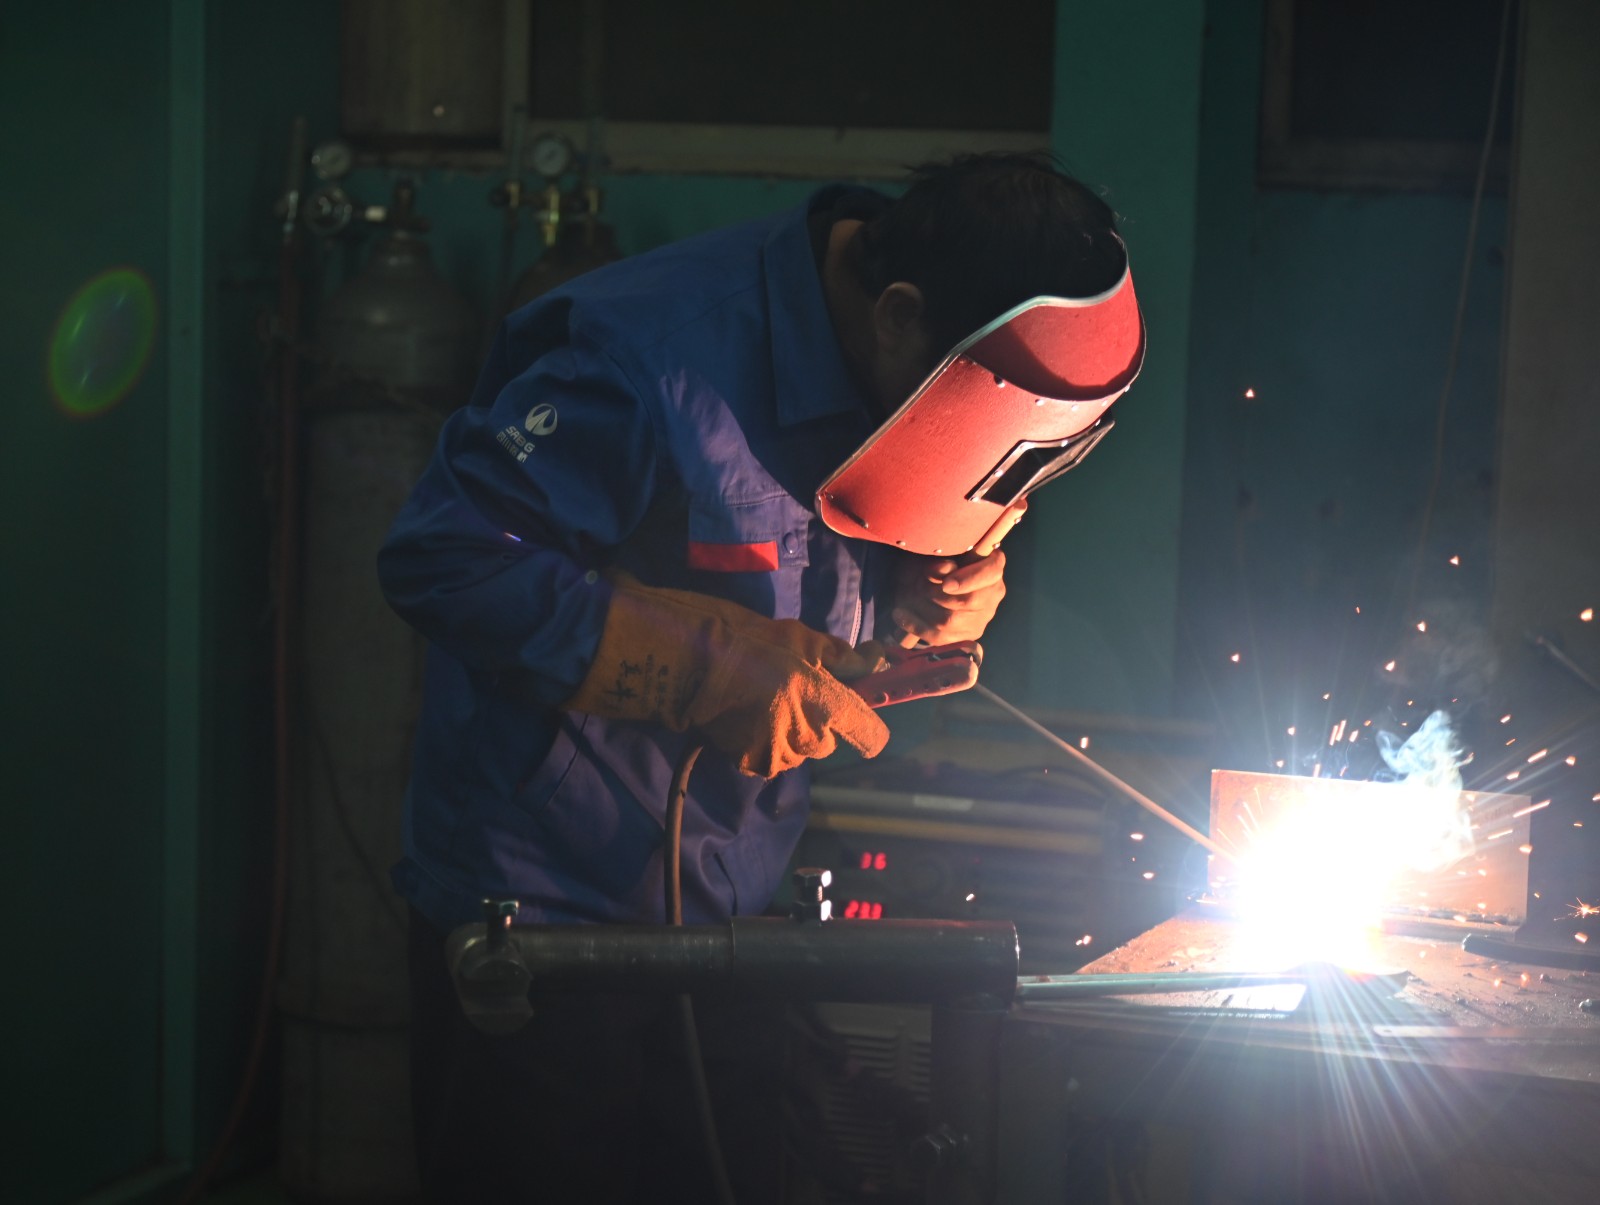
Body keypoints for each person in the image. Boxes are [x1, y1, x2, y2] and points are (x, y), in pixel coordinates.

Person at [378, 152, 1143, 1203]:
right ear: (898, 313)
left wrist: (921, 586)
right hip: (544, 921)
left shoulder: (901, 365)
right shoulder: (650, 357)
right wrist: (698, 667)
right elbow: (444, 555)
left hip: (734, 913)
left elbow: (827, 549)